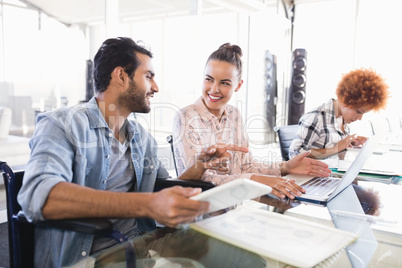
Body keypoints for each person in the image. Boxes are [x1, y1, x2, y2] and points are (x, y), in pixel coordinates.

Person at [17, 37, 248, 268]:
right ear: (121, 76)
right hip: (89, 259)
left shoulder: (141, 137)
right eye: (149, 76)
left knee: (242, 257)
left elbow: (161, 187)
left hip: (142, 248)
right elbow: (39, 195)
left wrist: (200, 166)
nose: (156, 87)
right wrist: (146, 204)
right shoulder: (63, 124)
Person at [172, 43, 331, 200]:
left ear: (238, 85)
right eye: (209, 79)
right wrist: (255, 179)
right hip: (202, 211)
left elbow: (246, 166)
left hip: (237, 205)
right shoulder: (185, 116)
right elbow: (196, 178)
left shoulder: (234, 114)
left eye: (225, 83)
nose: (214, 89)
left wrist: (285, 167)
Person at [289, 68, 390, 159]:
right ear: (346, 100)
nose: (360, 118)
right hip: (314, 178)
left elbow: (333, 150)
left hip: (333, 175)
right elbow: (295, 153)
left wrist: (351, 143)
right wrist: (335, 149)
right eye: (359, 112)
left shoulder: (342, 120)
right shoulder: (316, 118)